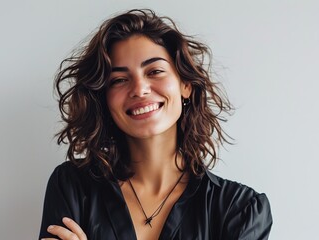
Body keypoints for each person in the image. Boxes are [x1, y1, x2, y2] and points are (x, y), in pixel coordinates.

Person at [39, 9, 272, 240]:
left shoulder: (240, 209)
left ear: (186, 85)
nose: (139, 89)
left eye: (155, 71)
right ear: (104, 98)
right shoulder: (73, 187)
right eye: (119, 80)